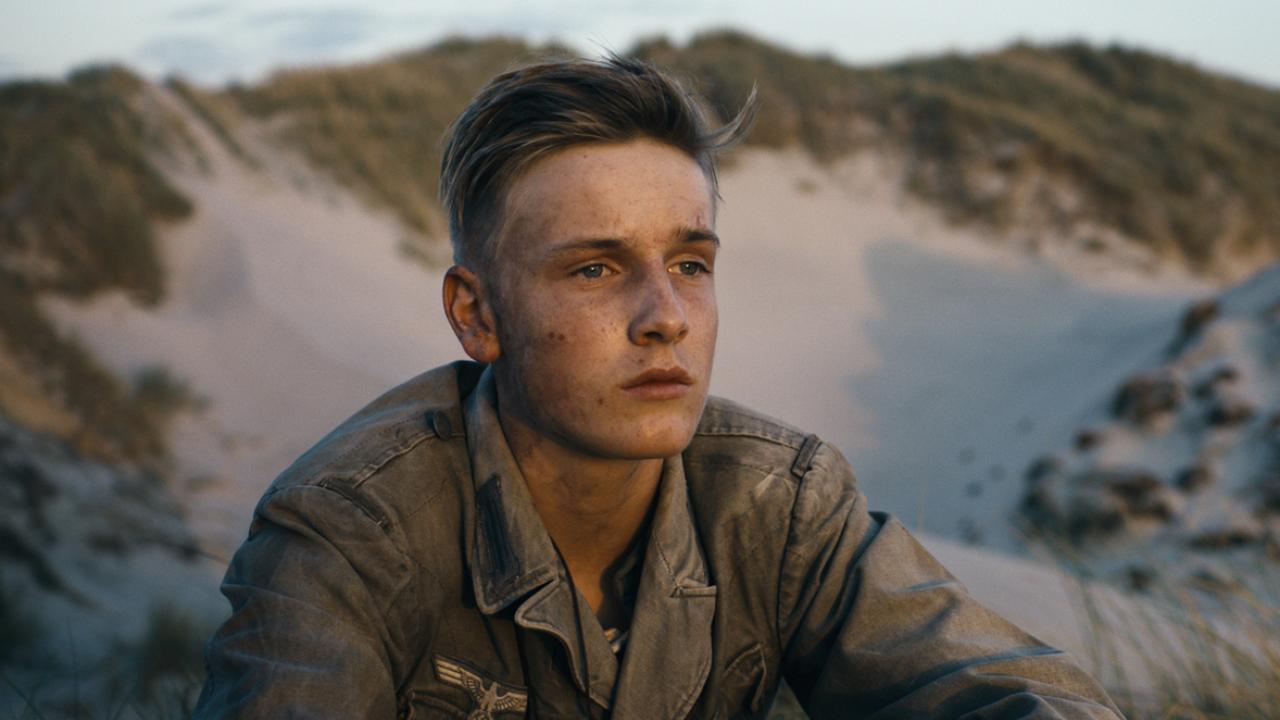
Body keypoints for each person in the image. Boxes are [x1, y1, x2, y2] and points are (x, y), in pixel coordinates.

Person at [195, 54, 1121, 719]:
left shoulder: (777, 501)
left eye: (690, 262)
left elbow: (1000, 689)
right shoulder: (350, 533)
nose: (665, 315)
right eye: (596, 270)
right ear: (476, 317)